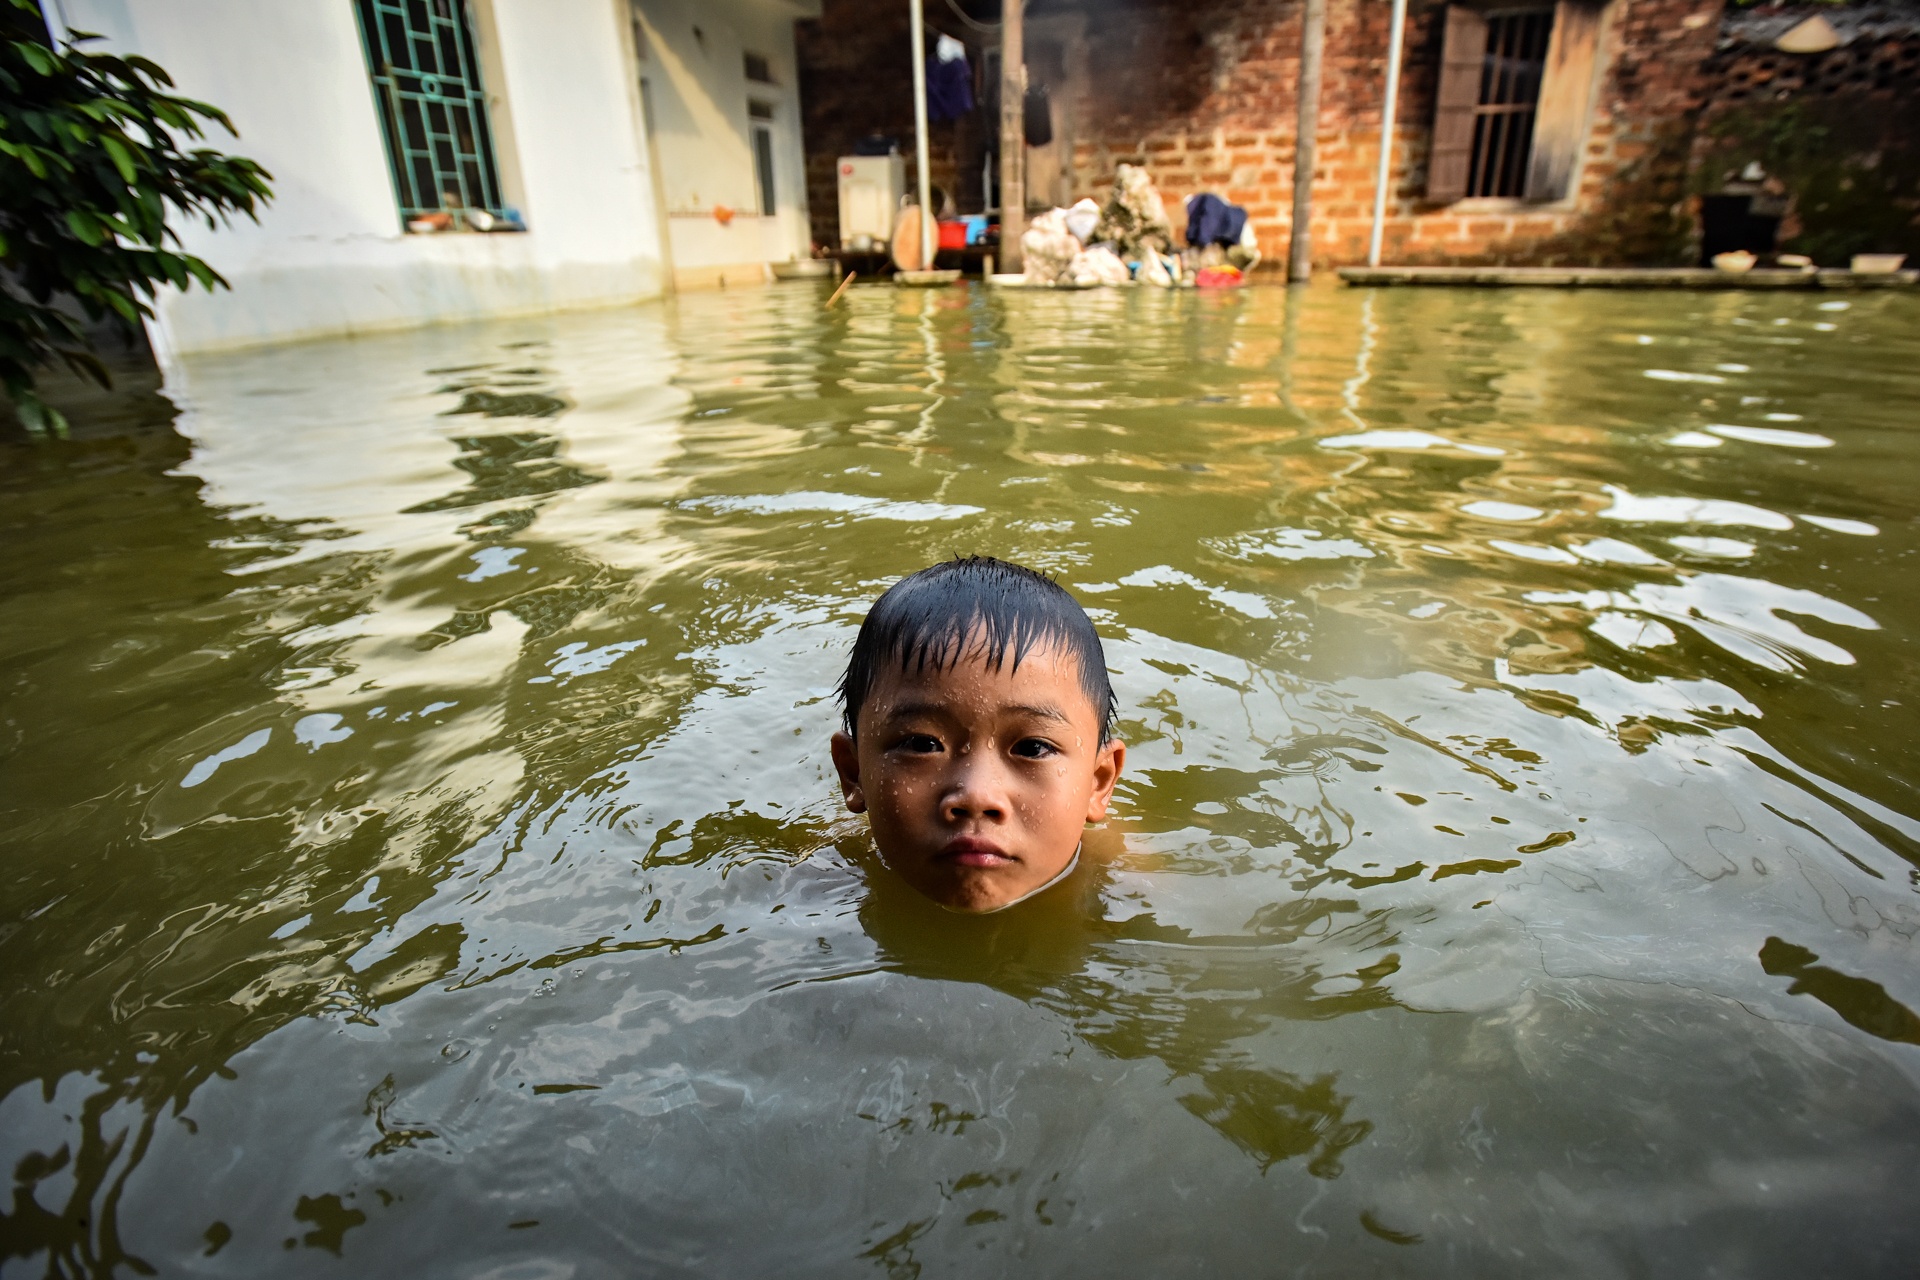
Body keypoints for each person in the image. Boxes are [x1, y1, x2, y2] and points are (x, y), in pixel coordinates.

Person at [830, 557, 1125, 913]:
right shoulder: (815, 892)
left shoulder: (1133, 892)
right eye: (922, 744)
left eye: (1032, 748)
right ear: (854, 773)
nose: (976, 795)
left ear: (1098, 783)